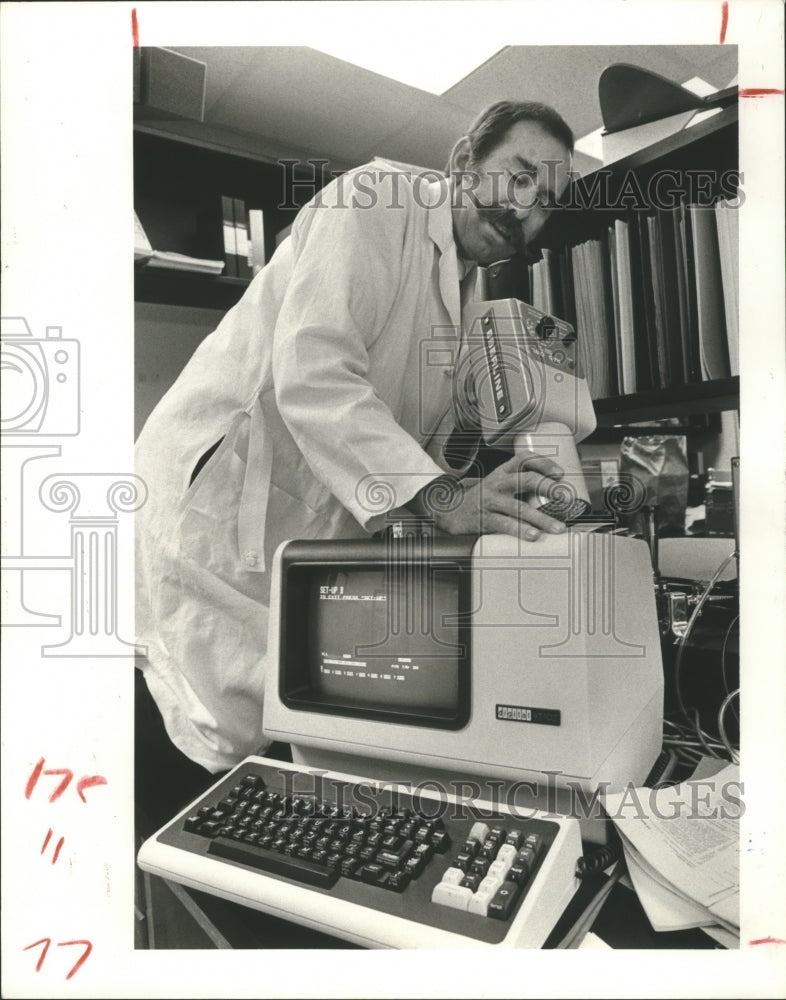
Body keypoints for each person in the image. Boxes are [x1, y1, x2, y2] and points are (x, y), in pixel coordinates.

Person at [134, 100, 576, 827]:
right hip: (207, 526)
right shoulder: (379, 197)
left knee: (257, 754)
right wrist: (442, 500)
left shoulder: (470, 293)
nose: (525, 207)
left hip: (287, 544)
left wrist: (474, 488)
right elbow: (317, 371)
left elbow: (410, 448)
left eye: (546, 200)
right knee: (190, 767)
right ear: (466, 159)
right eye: (519, 175)